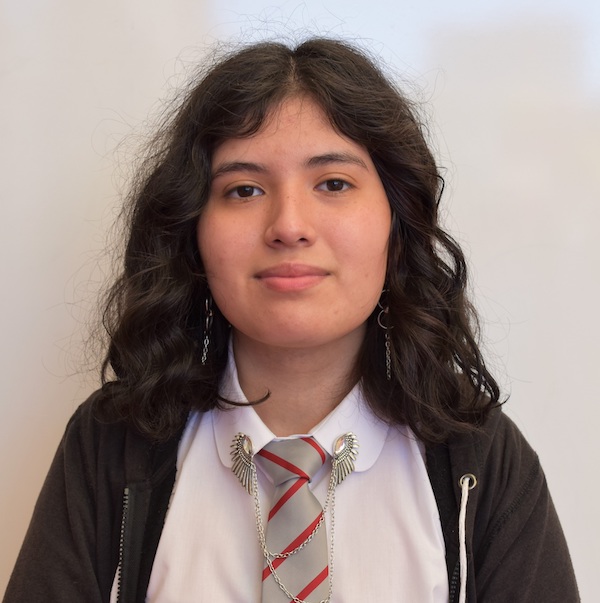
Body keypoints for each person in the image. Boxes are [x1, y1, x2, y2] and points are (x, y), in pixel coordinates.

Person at [4, 38, 579, 603]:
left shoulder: (479, 458)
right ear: (192, 231)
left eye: (333, 183)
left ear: (398, 222)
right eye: (244, 189)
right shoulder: (112, 443)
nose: (289, 226)